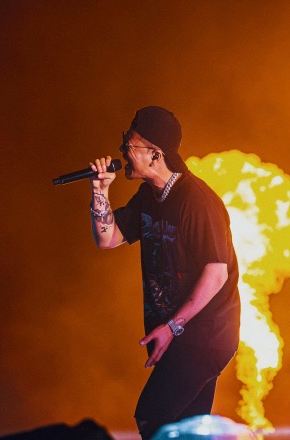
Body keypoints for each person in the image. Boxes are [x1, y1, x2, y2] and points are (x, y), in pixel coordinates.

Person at [88, 106, 241, 440]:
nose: (122, 151)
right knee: (185, 430)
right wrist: (100, 191)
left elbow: (217, 273)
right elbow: (107, 238)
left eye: (129, 144)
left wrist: (172, 327)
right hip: (182, 335)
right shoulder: (148, 197)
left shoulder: (197, 200)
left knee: (153, 415)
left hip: (206, 333)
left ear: (155, 154)